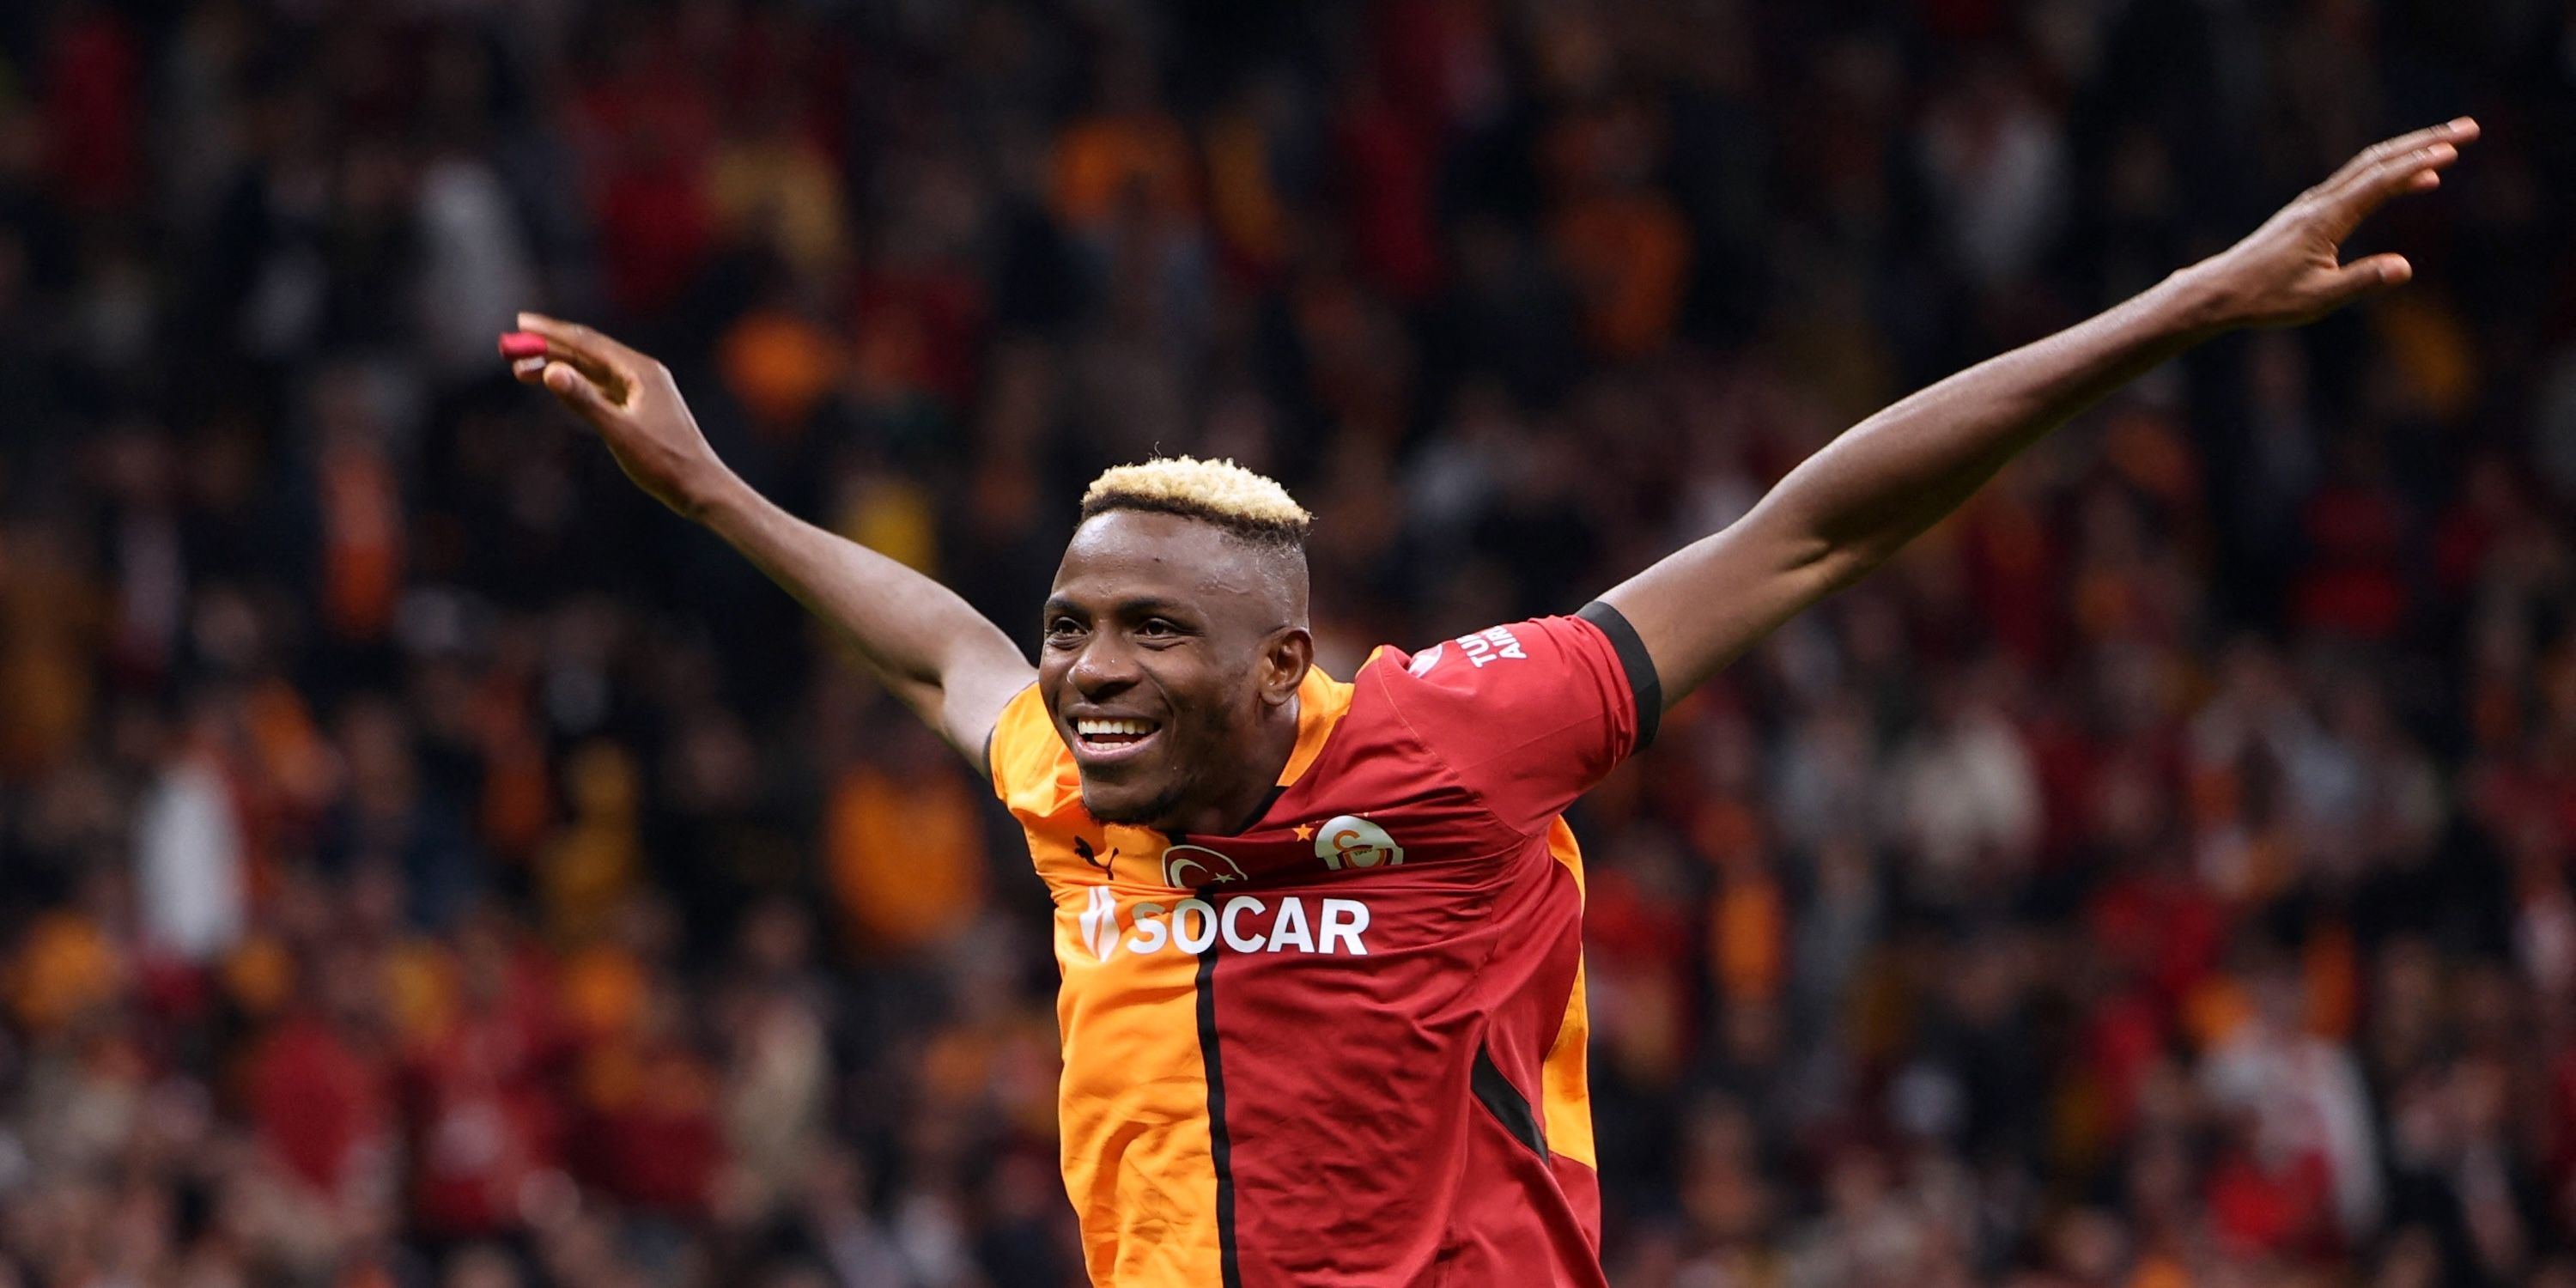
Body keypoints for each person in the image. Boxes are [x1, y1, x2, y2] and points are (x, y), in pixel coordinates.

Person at [505, 118, 2477, 1287]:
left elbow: (1804, 536)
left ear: (1284, 667)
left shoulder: (1453, 737)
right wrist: (705, 486)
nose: (1087, 673)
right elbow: (935, 643)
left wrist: (2188, 305)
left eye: (1145, 636)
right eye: (1076, 626)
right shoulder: (1067, 781)